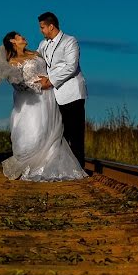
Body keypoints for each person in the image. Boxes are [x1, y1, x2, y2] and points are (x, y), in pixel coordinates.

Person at [0, 31, 86, 181]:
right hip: (32, 102)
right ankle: (33, 163)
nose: (23, 37)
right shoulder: (12, 61)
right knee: (35, 130)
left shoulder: (35, 52)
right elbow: (18, 85)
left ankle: (50, 161)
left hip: (49, 98)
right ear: (13, 41)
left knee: (51, 131)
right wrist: (38, 86)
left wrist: (50, 81)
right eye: (19, 36)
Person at [36, 12, 87, 165]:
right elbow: (38, 62)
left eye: (42, 27)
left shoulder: (70, 41)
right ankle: (64, 166)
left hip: (73, 93)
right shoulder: (43, 44)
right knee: (60, 132)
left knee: (75, 132)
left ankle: (79, 167)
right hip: (54, 96)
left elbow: (71, 67)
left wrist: (50, 81)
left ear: (51, 26)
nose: (41, 30)